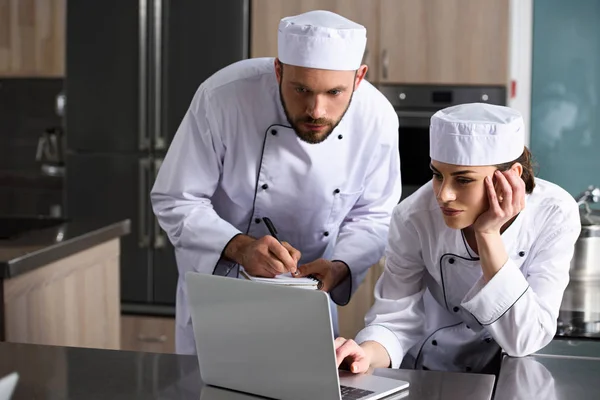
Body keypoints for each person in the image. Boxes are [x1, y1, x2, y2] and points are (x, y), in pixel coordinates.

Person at [151, 10, 402, 354]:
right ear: (278, 70)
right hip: (222, 292)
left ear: (359, 79)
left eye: (334, 92)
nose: (316, 110)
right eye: (301, 89)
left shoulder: (378, 118)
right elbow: (176, 198)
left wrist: (339, 267)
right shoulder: (223, 97)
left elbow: (374, 216)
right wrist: (241, 247)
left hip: (310, 299)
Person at [335, 103, 582, 373]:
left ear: (510, 177)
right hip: (430, 371)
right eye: (437, 175)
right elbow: (394, 319)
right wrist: (364, 354)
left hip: (507, 372)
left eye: (463, 180)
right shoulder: (413, 217)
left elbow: (525, 339)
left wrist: (487, 234)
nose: (443, 195)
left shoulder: (554, 213)